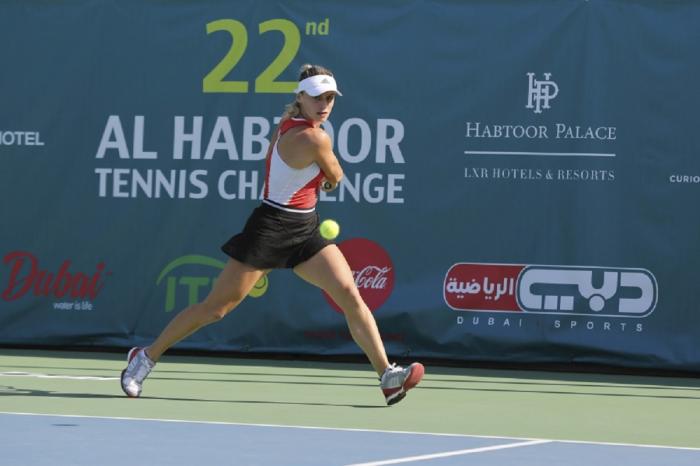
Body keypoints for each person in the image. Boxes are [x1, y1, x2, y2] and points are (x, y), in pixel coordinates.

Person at [120, 64, 424, 405]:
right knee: (215, 309)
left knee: (349, 294)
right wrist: (326, 179)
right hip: (269, 229)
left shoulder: (286, 125)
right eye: (316, 98)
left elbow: (285, 168)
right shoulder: (315, 137)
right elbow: (336, 175)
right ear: (301, 98)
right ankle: (145, 357)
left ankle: (387, 376)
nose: (324, 105)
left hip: (305, 229)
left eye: (329, 98)